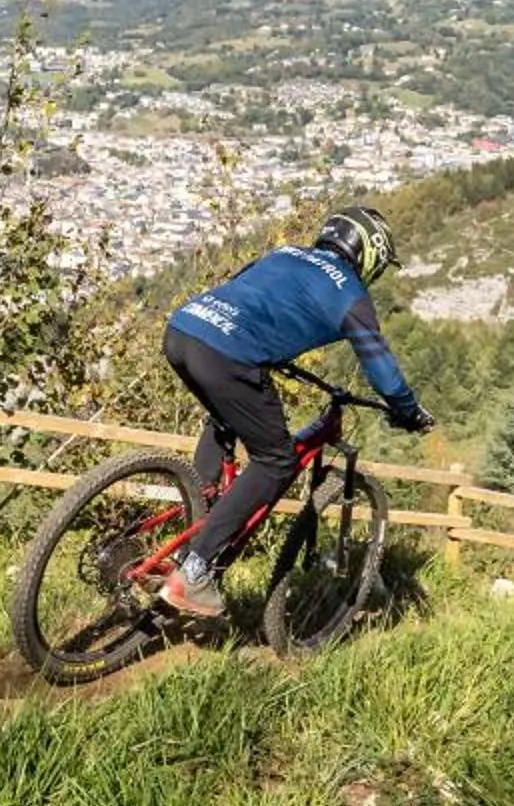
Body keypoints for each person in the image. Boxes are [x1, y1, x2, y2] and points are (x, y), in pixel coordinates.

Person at [159, 204, 433, 617]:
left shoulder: (284, 253)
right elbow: (379, 362)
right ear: (369, 253)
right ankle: (194, 573)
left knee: (225, 413)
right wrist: (408, 410)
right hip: (226, 356)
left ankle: (199, 509)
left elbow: (245, 296)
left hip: (183, 330)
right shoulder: (351, 294)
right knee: (276, 460)